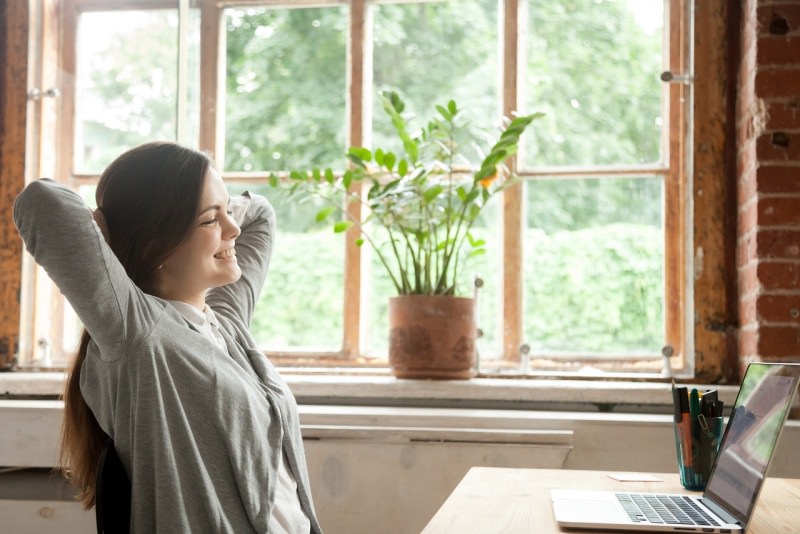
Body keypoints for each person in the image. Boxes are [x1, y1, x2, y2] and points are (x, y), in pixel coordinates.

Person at [13, 141, 323, 533]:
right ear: (157, 239)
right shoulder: (140, 335)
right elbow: (41, 202)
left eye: (228, 213)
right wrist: (117, 235)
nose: (234, 229)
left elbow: (261, 214)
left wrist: (215, 208)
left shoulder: (225, 323)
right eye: (211, 221)